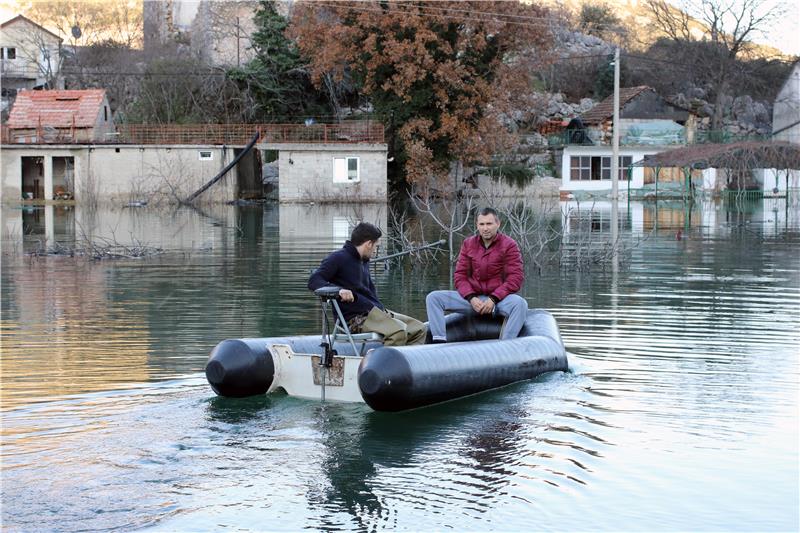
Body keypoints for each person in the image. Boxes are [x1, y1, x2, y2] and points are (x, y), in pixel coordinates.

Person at [308, 222, 427, 346]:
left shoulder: (364, 261)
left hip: (376, 311)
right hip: (354, 320)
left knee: (419, 329)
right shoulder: (338, 258)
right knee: (398, 332)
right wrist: (339, 291)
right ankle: (383, 364)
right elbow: (314, 280)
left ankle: (405, 362)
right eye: (376, 246)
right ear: (369, 244)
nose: (376, 250)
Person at [426, 207, 528, 342]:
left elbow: (515, 278)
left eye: (489, 224)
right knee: (433, 298)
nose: (485, 228)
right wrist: (471, 298)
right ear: (477, 226)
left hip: (499, 301)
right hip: (473, 300)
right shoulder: (468, 244)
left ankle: (506, 345)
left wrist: (493, 299)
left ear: (498, 224)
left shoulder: (509, 245)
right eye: (482, 224)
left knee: (520, 304)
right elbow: (460, 276)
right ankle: (438, 343)